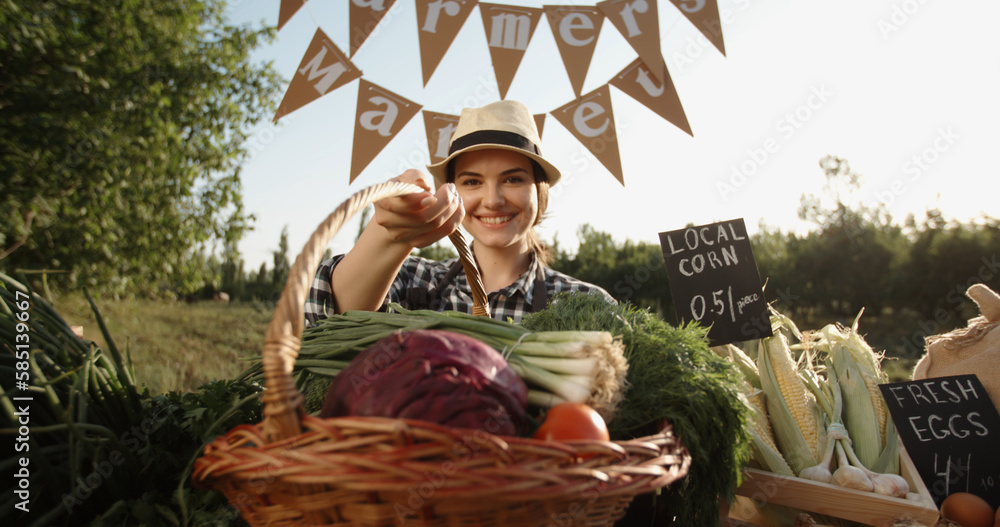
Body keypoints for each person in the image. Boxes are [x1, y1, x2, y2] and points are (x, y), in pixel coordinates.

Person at [305, 100, 615, 326]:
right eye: (472, 182)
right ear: (452, 193)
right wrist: (388, 233)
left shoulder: (584, 304)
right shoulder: (416, 282)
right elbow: (324, 321)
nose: (492, 200)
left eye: (513, 179)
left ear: (539, 190)